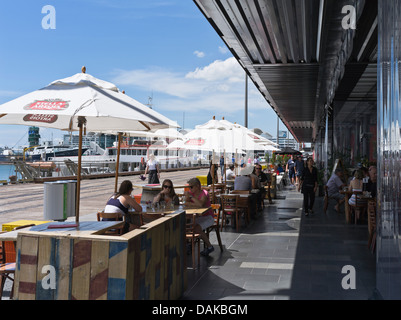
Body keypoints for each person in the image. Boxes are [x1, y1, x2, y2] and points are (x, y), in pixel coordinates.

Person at [184, 178, 215, 256]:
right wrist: (191, 200)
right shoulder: (191, 193)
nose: (190, 189)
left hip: (208, 217)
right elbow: (186, 203)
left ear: (197, 186)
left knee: (196, 228)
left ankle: (209, 246)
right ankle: (189, 244)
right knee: (185, 225)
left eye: (191, 187)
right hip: (196, 217)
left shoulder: (204, 193)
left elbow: (201, 205)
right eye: (189, 187)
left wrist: (191, 197)